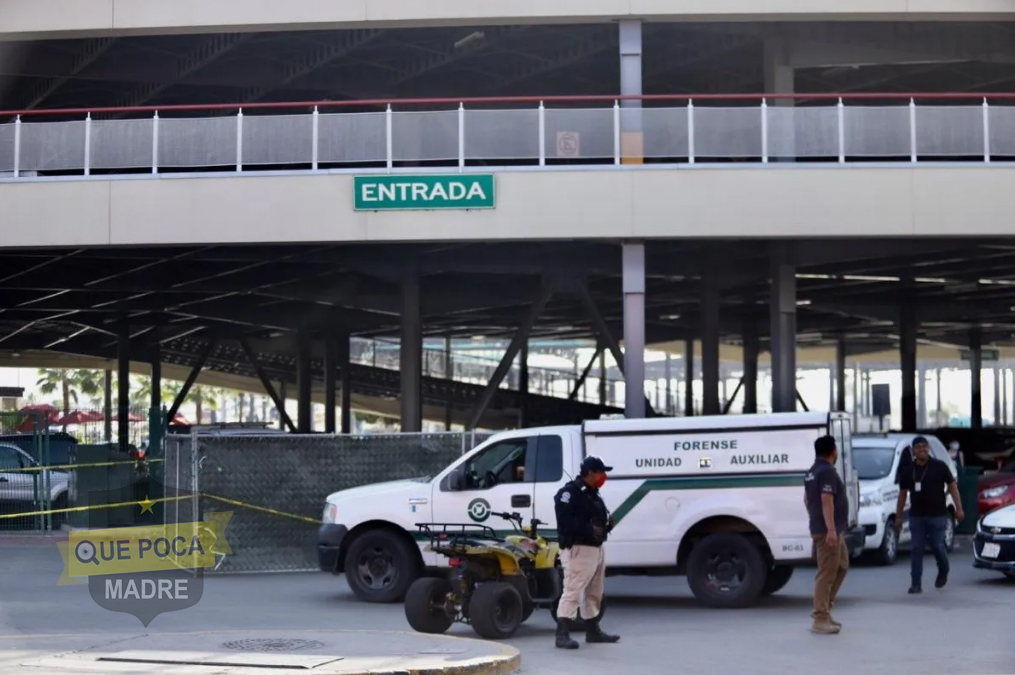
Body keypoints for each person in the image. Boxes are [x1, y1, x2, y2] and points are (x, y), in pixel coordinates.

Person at [552, 455, 620, 649]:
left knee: (595, 591)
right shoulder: (569, 493)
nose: (603, 476)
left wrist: (607, 527)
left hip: (596, 548)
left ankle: (592, 631)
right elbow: (565, 521)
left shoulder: (592, 493)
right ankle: (562, 634)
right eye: (600, 472)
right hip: (579, 548)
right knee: (573, 589)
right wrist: (589, 530)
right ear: (591, 472)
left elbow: (594, 521)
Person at [893, 436, 964, 593]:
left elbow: (952, 487)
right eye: (918, 447)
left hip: (938, 515)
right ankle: (915, 583)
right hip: (916, 516)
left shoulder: (939, 466)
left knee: (938, 546)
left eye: (925, 446)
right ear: (913, 451)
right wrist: (898, 517)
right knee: (916, 549)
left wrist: (959, 508)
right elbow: (902, 494)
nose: (922, 449)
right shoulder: (908, 471)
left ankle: (943, 569)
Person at [803, 435, 849, 635]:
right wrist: (829, 529)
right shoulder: (827, 472)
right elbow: (826, 500)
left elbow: (806, 500)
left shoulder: (812, 472)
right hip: (828, 531)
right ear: (833, 452)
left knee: (841, 565)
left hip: (829, 529)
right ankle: (820, 618)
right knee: (826, 573)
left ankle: (826, 610)